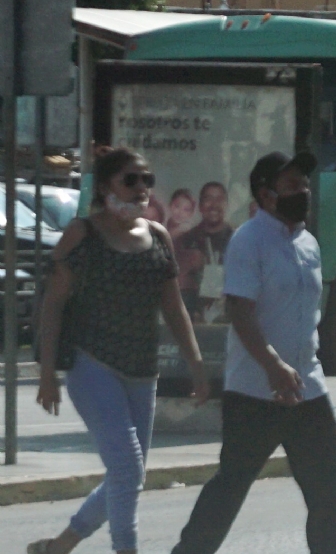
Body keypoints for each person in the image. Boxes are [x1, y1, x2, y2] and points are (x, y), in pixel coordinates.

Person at [29, 148, 210, 554]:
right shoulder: (83, 234)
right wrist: (47, 375)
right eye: (131, 179)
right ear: (106, 185)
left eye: (146, 179)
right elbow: (54, 303)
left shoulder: (158, 236)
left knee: (128, 475)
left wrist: (196, 364)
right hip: (93, 366)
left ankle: (60, 546)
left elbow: (173, 306)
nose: (141, 188)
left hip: (143, 372)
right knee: (127, 470)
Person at [169, 150, 336, 554]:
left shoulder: (308, 243)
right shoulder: (249, 240)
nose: (303, 191)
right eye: (292, 186)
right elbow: (240, 311)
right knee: (230, 486)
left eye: (304, 184)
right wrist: (273, 366)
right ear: (267, 195)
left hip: (308, 389)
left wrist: (296, 369)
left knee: (327, 494)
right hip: (254, 392)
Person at [177, 182, 234, 323]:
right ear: (200, 206)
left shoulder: (238, 239)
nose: (214, 205)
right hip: (194, 320)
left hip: (231, 319)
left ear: (226, 205)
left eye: (219, 199)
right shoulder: (186, 240)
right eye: (208, 199)